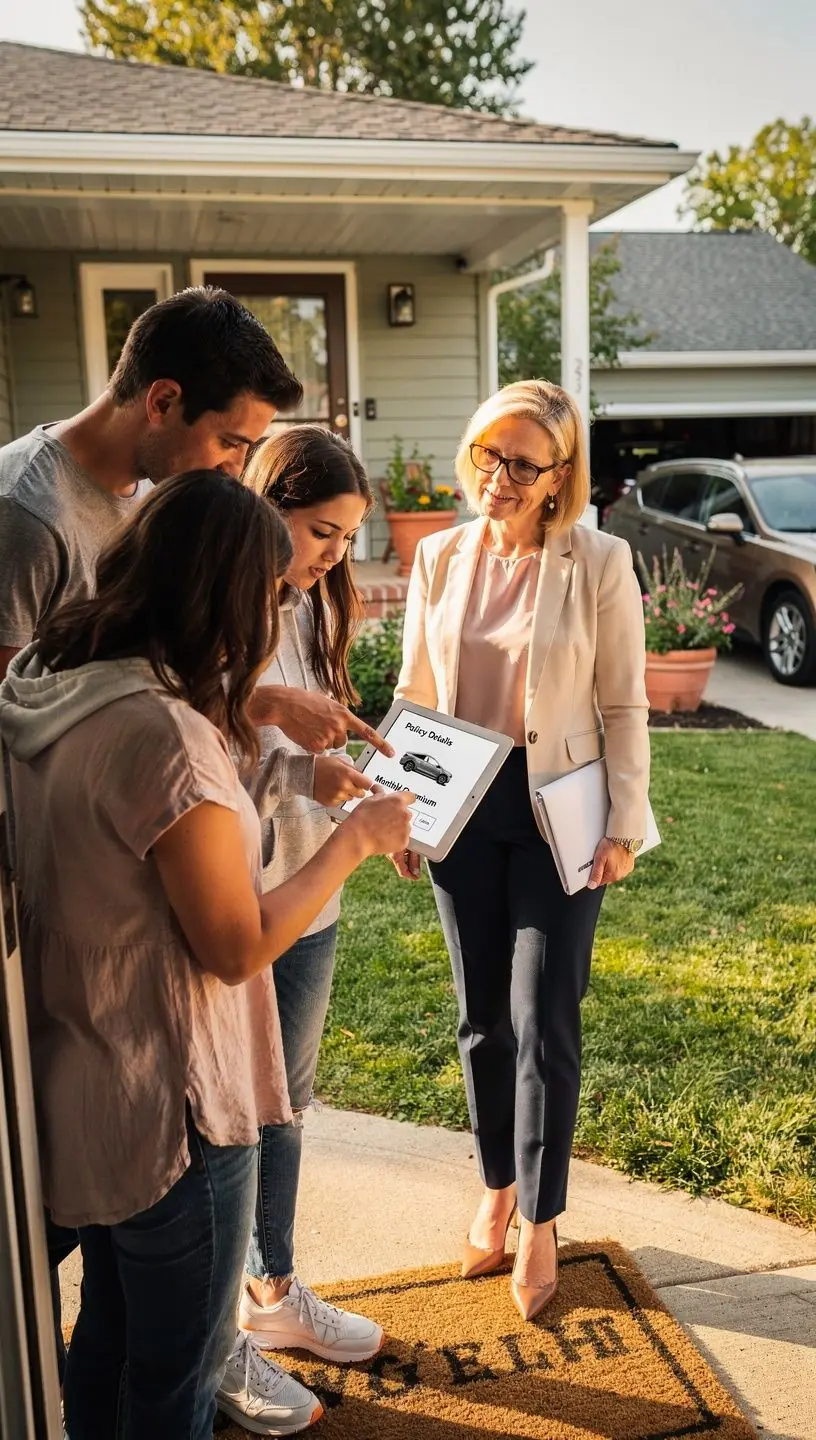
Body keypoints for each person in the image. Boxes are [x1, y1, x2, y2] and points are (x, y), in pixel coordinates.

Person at [0, 471, 413, 1439]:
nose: (281, 614)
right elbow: (235, 945)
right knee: (176, 1389)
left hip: (91, 1082)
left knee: (102, 1345)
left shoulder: (59, 684)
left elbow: (156, 829)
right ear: (226, 595)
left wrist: (292, 765)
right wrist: (356, 841)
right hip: (178, 1113)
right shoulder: (165, 737)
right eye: (272, 595)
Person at [393, 379, 650, 1322]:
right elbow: (419, 693)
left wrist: (625, 820)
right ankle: (496, 1183)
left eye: (522, 464)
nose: (497, 477)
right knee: (478, 1018)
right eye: (485, 455)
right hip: (462, 805)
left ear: (559, 477)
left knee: (544, 1015)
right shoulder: (438, 557)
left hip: (562, 813)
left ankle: (541, 1218)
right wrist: (409, 813)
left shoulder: (601, 561)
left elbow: (624, 700)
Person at [216, 426, 384, 1400]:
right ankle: (226, 1319)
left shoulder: (317, 599)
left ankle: (272, 1285)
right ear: (266, 501)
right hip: (242, 892)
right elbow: (199, 740)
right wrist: (275, 712)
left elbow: (308, 757)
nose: (330, 556)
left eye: (345, 538)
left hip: (312, 886)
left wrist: (369, 809)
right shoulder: (219, 601)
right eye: (320, 531)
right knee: (236, 1109)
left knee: (288, 1099)